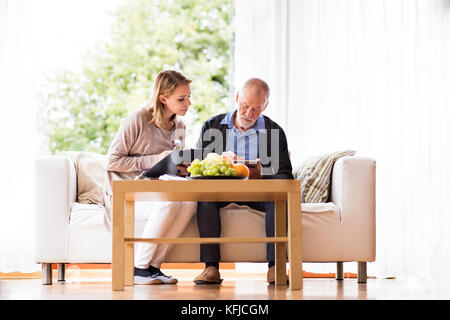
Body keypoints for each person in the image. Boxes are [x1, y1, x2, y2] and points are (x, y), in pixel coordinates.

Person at [193, 78, 293, 285]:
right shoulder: (212, 126)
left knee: (278, 200)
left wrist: (259, 171)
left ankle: (276, 267)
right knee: (205, 198)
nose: (248, 114)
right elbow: (200, 169)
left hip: (260, 194)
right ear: (237, 97)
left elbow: (284, 176)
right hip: (221, 191)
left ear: (265, 106)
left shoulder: (274, 132)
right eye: (245, 106)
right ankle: (211, 267)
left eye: (256, 109)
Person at [103, 70, 197, 285]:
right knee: (170, 201)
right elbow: (112, 161)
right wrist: (155, 159)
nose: (188, 103)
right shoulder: (137, 120)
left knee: (190, 202)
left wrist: (182, 168)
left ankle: (153, 267)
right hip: (123, 192)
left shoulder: (180, 127)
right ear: (163, 99)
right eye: (181, 99)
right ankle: (138, 268)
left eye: (189, 96)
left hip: (155, 189)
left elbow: (167, 167)